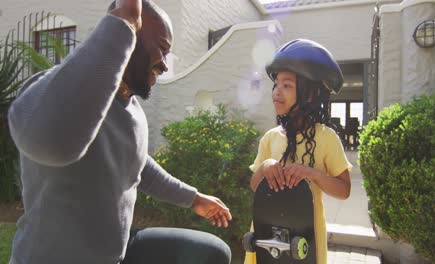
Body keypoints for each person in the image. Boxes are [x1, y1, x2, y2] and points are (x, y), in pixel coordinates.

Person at [7, 0, 232, 263]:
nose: (165, 65)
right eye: (161, 48)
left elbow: (137, 164)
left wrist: (194, 198)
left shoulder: (132, 109)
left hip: (113, 255)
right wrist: (123, 22)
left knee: (212, 252)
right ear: (129, 36)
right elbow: (51, 143)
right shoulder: (58, 95)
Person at [244, 39, 352, 264]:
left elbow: (344, 190)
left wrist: (312, 174)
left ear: (309, 94)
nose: (277, 91)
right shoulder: (271, 137)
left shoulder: (326, 138)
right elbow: (255, 185)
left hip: (306, 240)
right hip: (266, 235)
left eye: (287, 85)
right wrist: (265, 168)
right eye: (276, 84)